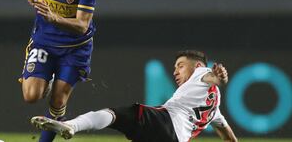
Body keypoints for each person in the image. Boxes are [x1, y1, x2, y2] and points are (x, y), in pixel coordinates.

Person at [31, 50, 238, 142]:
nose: (175, 71)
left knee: (116, 115)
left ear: (198, 66)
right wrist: (218, 79)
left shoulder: (200, 72)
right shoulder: (215, 110)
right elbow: (228, 137)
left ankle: (71, 126)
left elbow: (213, 77)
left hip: (164, 122)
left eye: (180, 66)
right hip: (177, 139)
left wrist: (218, 76)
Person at [20, 0, 99, 141]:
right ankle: (50, 79)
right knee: (30, 96)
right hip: (44, 42)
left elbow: (82, 26)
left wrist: (53, 17)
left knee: (57, 102)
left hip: (75, 48)